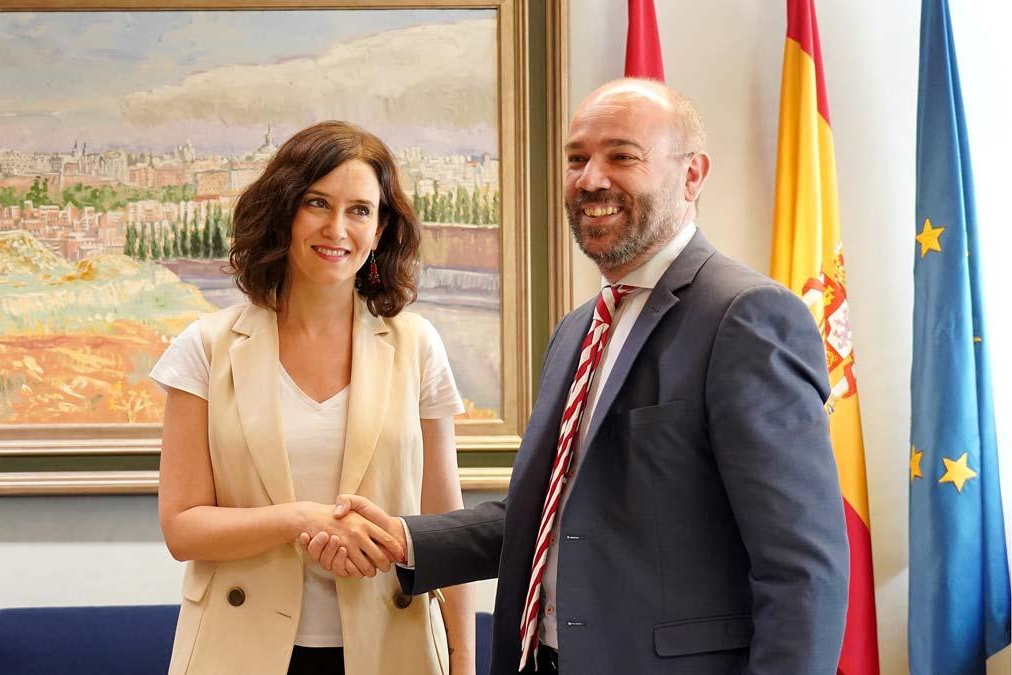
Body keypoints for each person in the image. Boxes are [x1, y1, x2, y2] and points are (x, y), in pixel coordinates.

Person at [303, 79, 850, 674]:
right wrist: (406, 540)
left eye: (622, 155)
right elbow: (549, 510)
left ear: (692, 175)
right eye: (577, 158)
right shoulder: (577, 330)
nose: (591, 178)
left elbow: (803, 568)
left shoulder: (745, 316)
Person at [152, 120, 474, 675]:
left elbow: (448, 526)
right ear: (284, 212)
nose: (337, 227)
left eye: (359, 210)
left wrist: (464, 664)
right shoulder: (205, 347)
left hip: (393, 647)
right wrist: (302, 519)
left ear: (379, 230)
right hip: (238, 650)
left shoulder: (417, 345)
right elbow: (183, 528)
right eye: (317, 203)